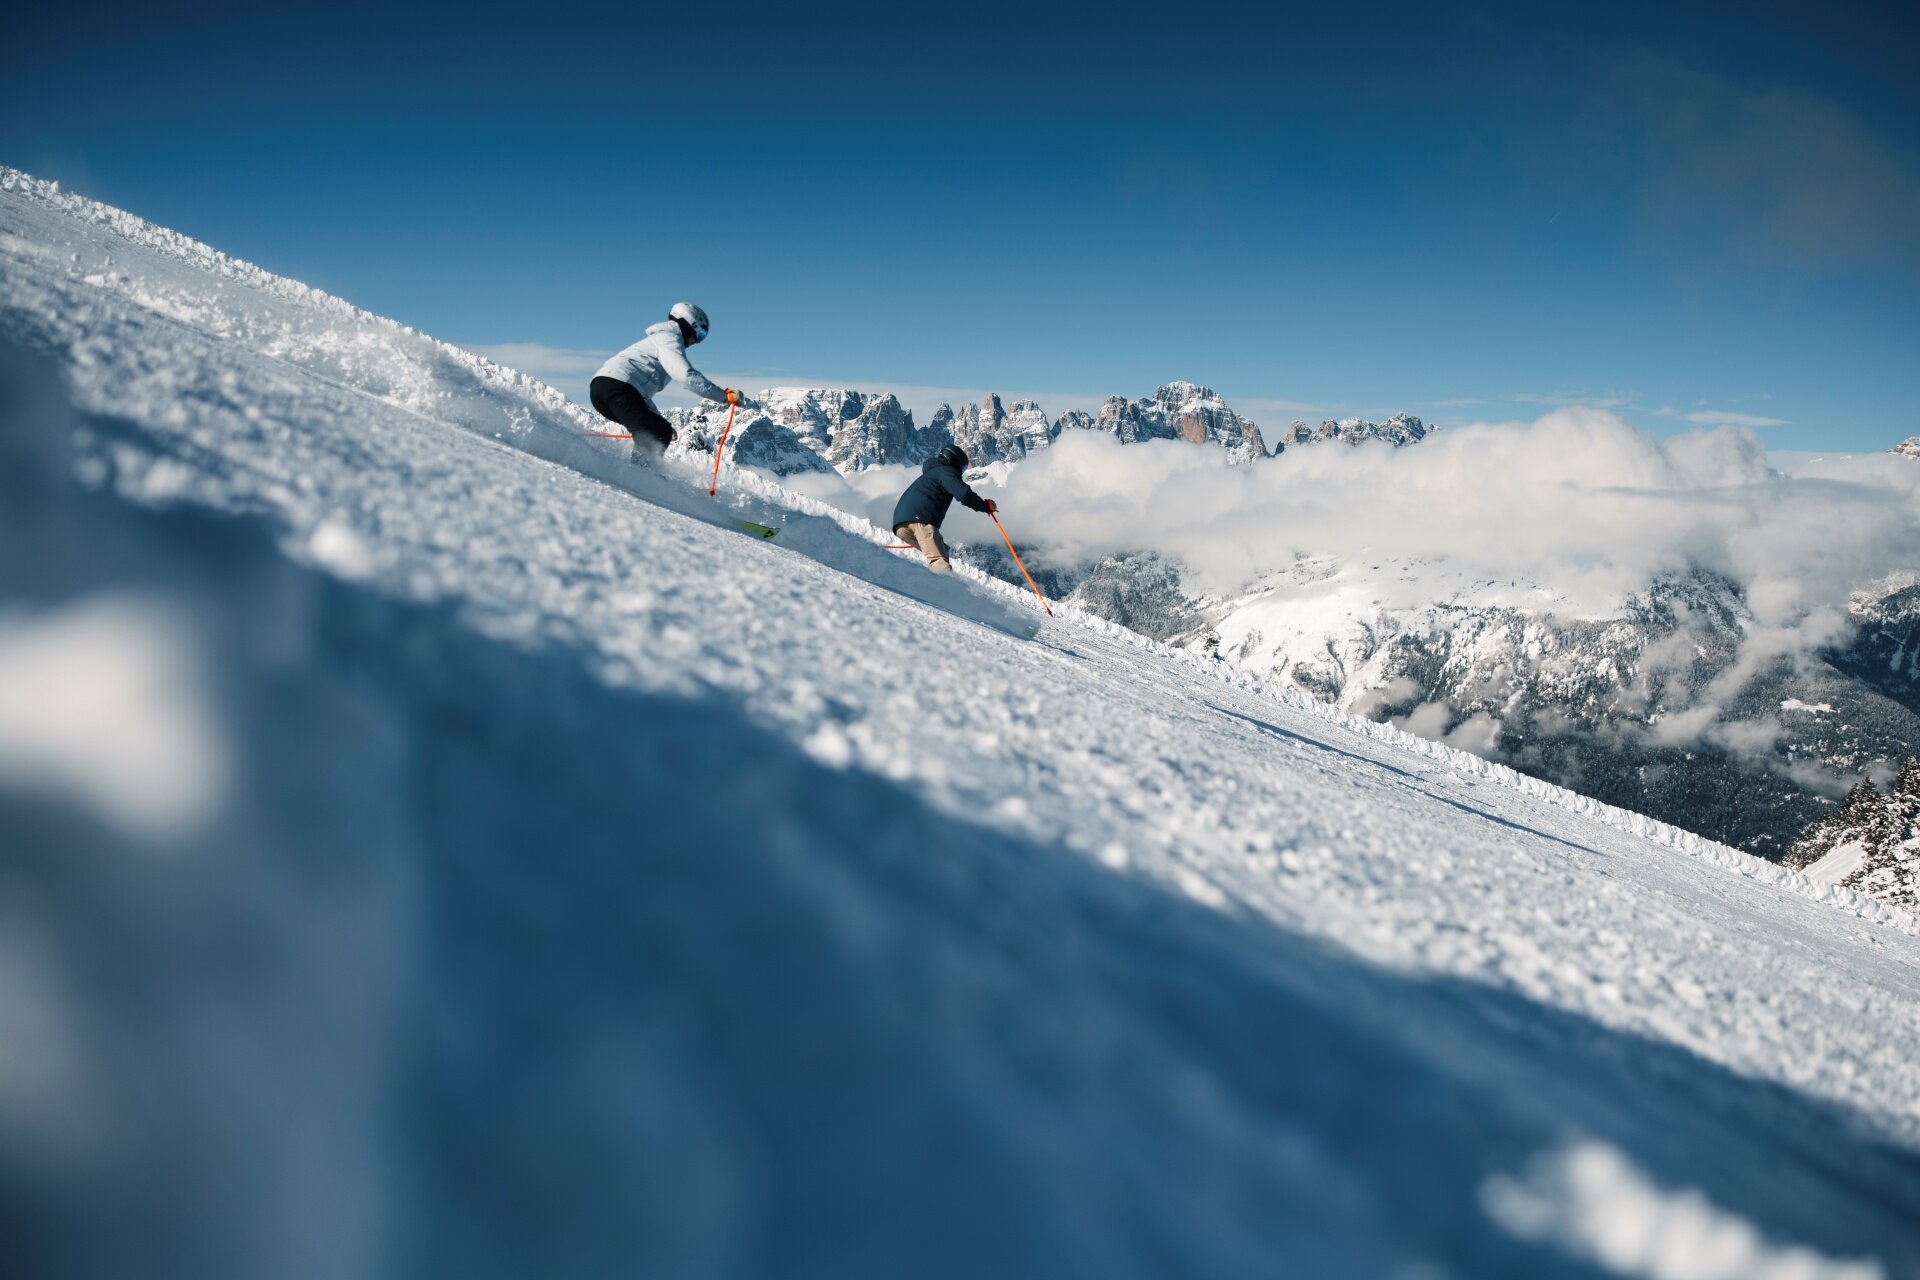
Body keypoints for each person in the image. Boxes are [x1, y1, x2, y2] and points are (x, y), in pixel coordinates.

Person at [589, 302, 749, 458]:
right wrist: (723, 395)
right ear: (691, 325)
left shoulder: (660, 341)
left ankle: (638, 473)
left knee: (658, 429)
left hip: (604, 389)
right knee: (655, 433)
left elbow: (639, 395)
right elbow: (687, 377)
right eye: (700, 335)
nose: (696, 342)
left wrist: (660, 421)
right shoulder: (669, 340)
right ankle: (641, 476)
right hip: (616, 388)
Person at [891, 444, 994, 574]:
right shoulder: (946, 471)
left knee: (942, 549)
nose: (961, 472)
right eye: (962, 468)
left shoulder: (932, 473)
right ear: (954, 461)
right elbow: (963, 494)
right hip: (920, 521)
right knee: (939, 562)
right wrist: (985, 506)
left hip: (900, 524)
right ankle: (945, 590)